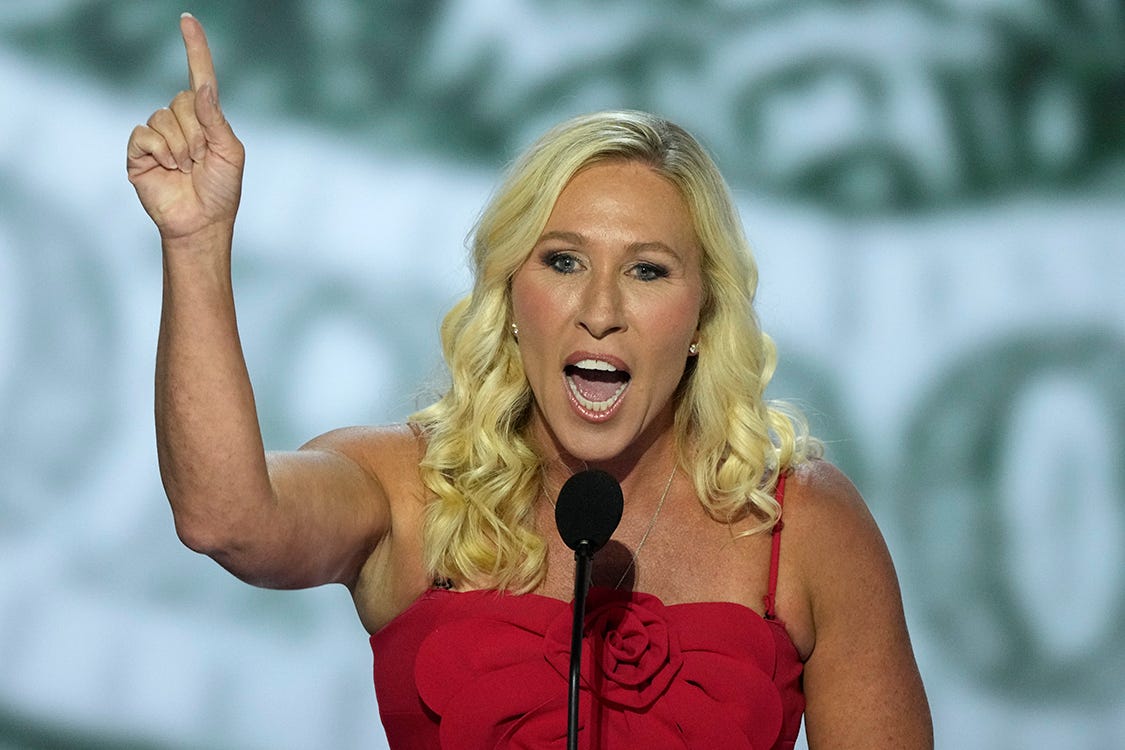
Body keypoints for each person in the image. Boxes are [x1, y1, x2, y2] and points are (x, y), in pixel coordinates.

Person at [127, 13, 933, 750]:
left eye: (647, 271)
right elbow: (226, 518)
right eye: (563, 261)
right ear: (513, 296)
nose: (600, 310)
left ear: (700, 318)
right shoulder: (407, 487)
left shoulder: (803, 524)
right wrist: (196, 242)